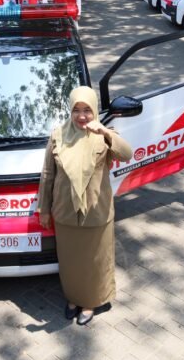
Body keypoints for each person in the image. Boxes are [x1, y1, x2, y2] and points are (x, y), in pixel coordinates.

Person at [38, 86, 132, 325]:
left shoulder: (104, 135)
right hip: (65, 211)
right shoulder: (58, 135)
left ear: (94, 111)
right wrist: (44, 209)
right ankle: (73, 298)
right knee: (70, 261)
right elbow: (48, 174)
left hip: (95, 211)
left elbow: (126, 154)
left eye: (87, 110)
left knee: (95, 260)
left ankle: (91, 302)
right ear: (70, 111)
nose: (82, 116)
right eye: (76, 110)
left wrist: (105, 132)